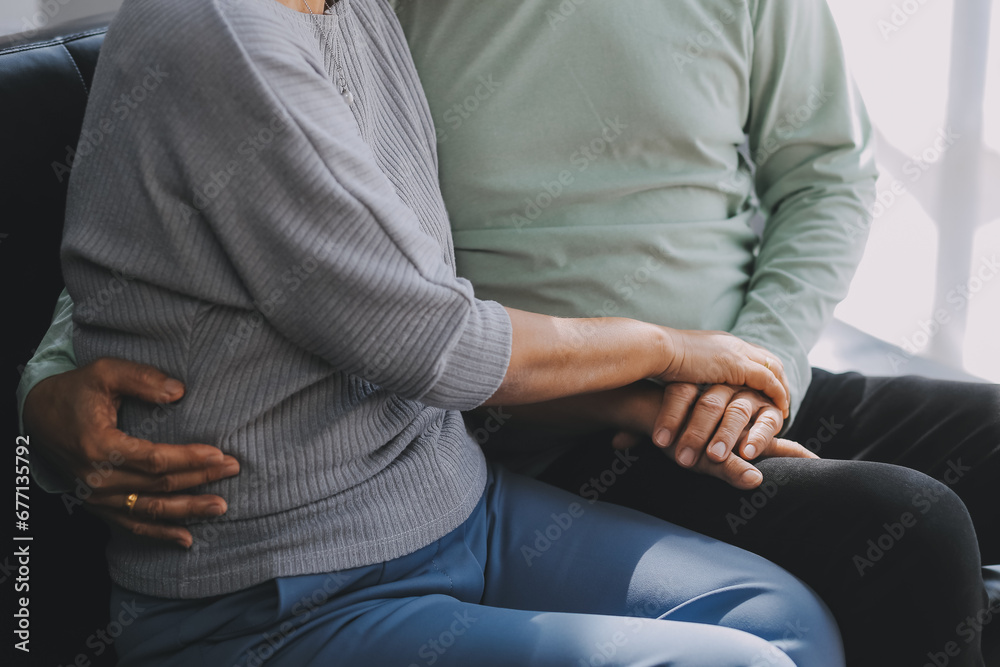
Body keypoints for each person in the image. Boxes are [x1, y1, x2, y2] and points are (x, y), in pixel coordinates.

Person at [17, 0, 998, 664]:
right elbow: (158, 232)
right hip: (538, 427)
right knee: (906, 525)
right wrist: (43, 389)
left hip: (716, 377)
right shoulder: (341, 20)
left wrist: (752, 370)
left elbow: (827, 174)